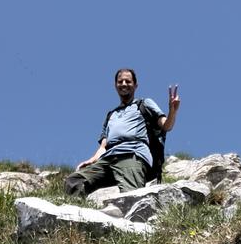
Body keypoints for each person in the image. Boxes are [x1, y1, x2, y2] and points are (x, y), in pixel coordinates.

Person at [64, 68, 180, 197]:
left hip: (131, 155)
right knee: (74, 181)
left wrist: (172, 111)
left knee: (130, 197)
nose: (124, 84)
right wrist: (92, 159)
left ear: (135, 85)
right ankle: (79, 215)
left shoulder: (144, 104)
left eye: (128, 81)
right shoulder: (111, 115)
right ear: (116, 85)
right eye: (120, 81)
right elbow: (103, 146)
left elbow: (166, 126)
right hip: (107, 159)